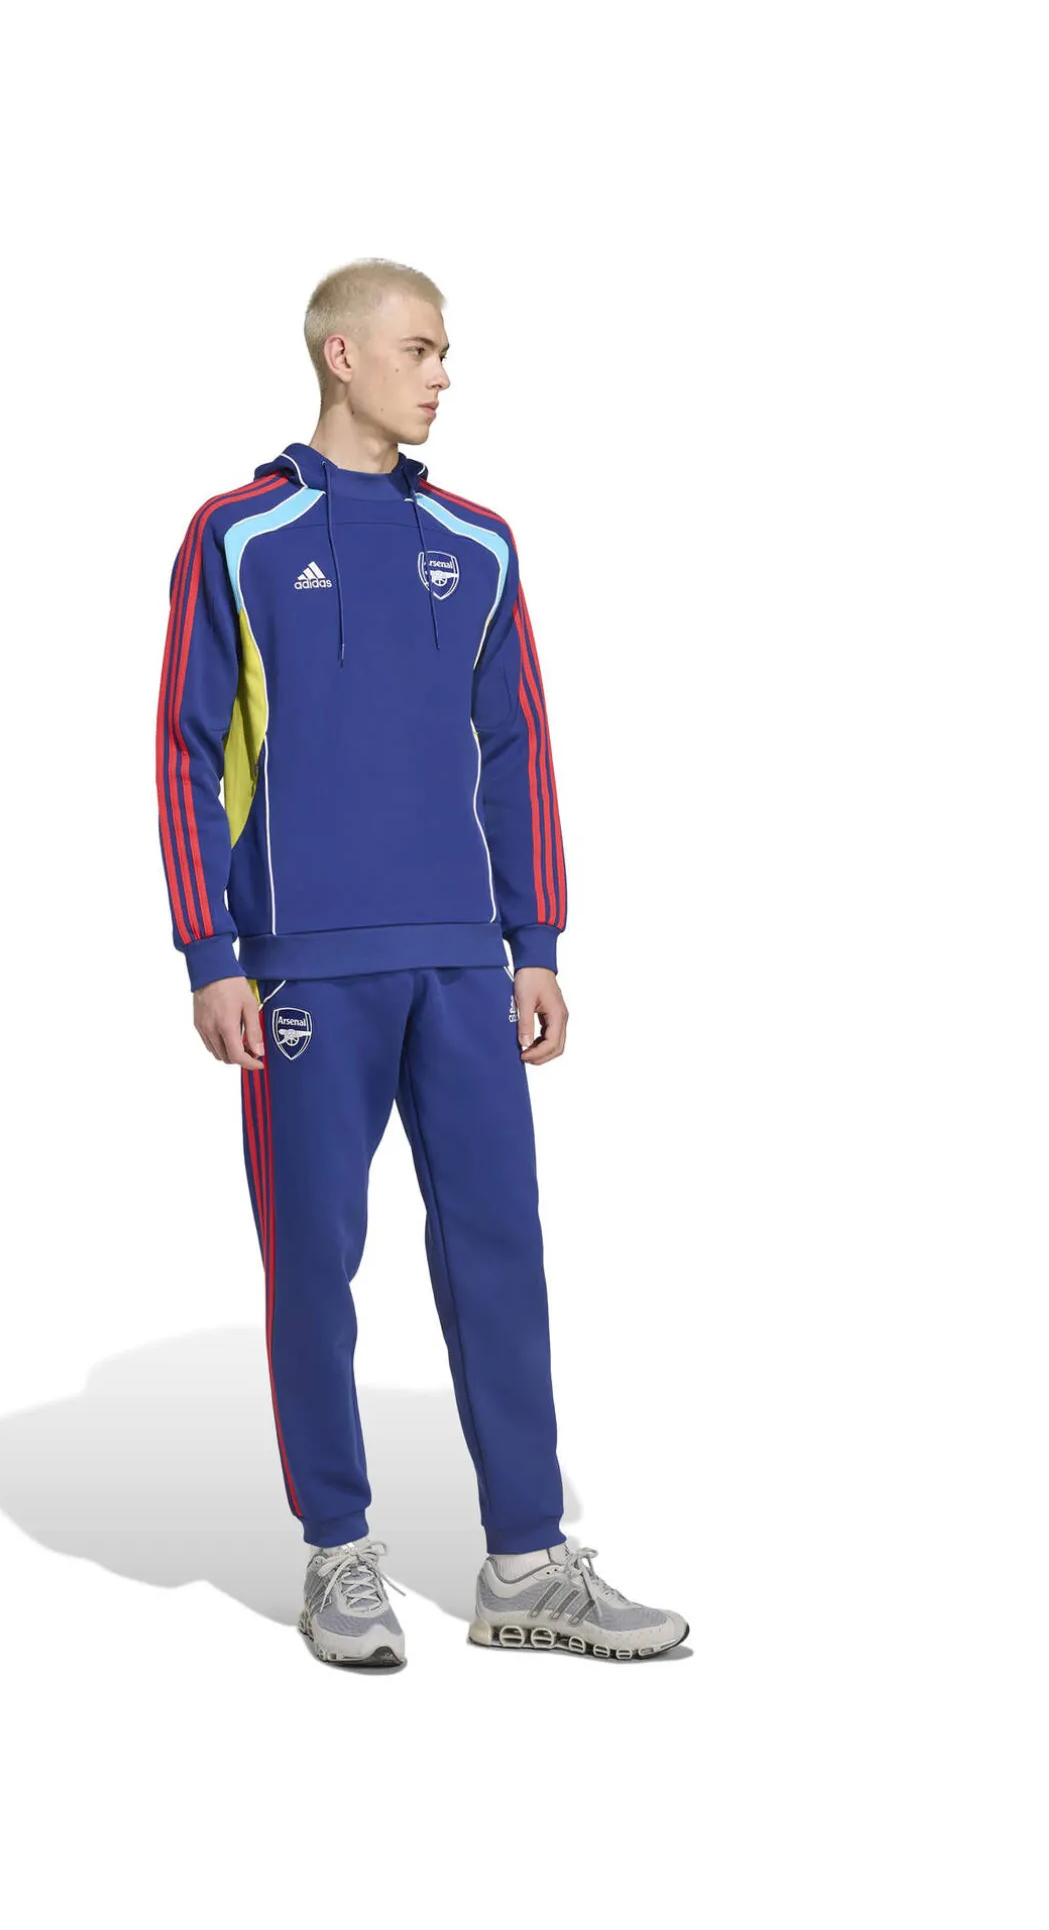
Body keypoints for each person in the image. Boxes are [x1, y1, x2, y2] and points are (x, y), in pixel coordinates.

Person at [155, 258, 687, 1668]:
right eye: (420, 349)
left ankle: (528, 1562)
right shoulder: (239, 534)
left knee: (501, 1251)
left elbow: (519, 750)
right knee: (312, 1263)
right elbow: (184, 748)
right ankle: (340, 1554)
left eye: (446, 353)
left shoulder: (481, 542)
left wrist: (536, 941)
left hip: (461, 963)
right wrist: (210, 950)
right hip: (303, 970)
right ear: (342, 356)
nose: (443, 375)